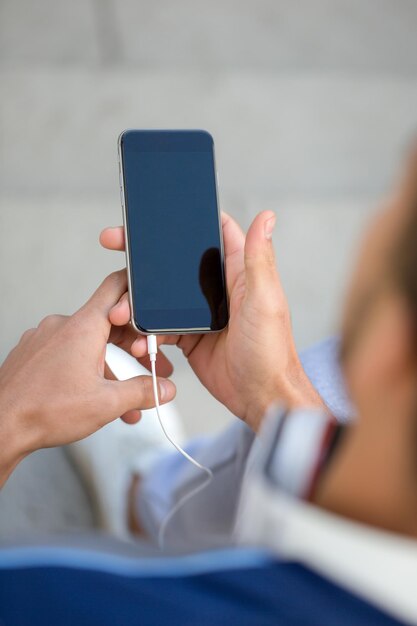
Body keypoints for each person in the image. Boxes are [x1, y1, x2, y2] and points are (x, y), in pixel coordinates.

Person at [1, 148, 417, 624]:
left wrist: (11, 417)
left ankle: (144, 497)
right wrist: (272, 393)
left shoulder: (42, 593)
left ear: (395, 345)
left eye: (395, 201)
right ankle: (143, 500)